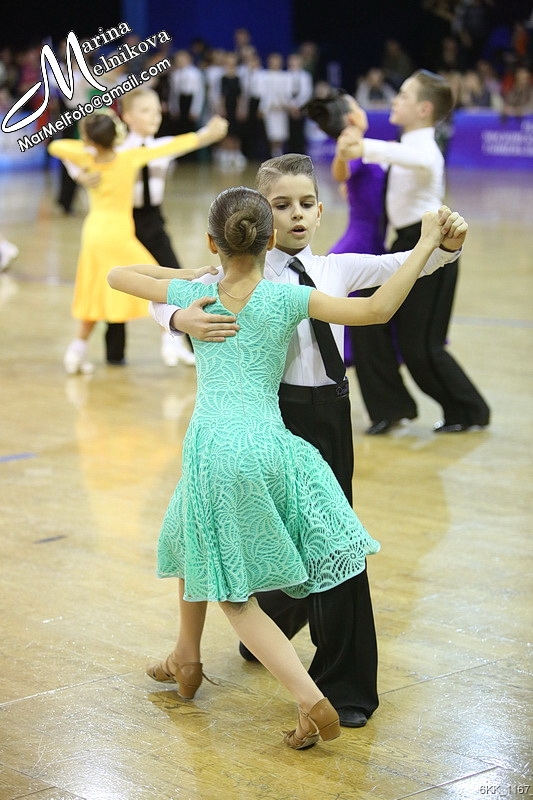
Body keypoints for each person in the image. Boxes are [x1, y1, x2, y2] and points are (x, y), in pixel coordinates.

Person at [107, 185, 468, 748]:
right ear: (270, 238)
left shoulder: (196, 294)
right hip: (272, 444)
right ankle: (186, 656)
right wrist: (424, 244)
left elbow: (118, 275)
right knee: (192, 534)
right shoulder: (285, 297)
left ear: (213, 242)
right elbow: (375, 310)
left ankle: (311, 701)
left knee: (234, 596)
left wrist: (187, 292)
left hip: (215, 448)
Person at [337, 69, 490, 435]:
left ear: (424, 109)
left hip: (433, 248)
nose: (395, 100)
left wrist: (365, 147)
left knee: (421, 347)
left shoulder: (425, 149)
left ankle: (471, 411)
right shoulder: (404, 146)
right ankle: (391, 408)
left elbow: (417, 160)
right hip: (405, 245)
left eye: (403, 95)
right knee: (368, 323)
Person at [48, 110, 227, 374]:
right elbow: (173, 146)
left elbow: (55, 145)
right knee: (154, 281)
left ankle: (76, 350)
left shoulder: (86, 157)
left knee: (97, 292)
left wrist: (82, 168)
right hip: (117, 235)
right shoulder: (129, 158)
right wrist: (205, 135)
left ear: (89, 139)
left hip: (94, 233)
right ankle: (169, 340)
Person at [328, 95, 387, 369]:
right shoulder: (351, 142)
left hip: (373, 240)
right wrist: (342, 155)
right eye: (358, 107)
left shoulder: (365, 145)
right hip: (360, 242)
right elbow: (341, 173)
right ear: (351, 117)